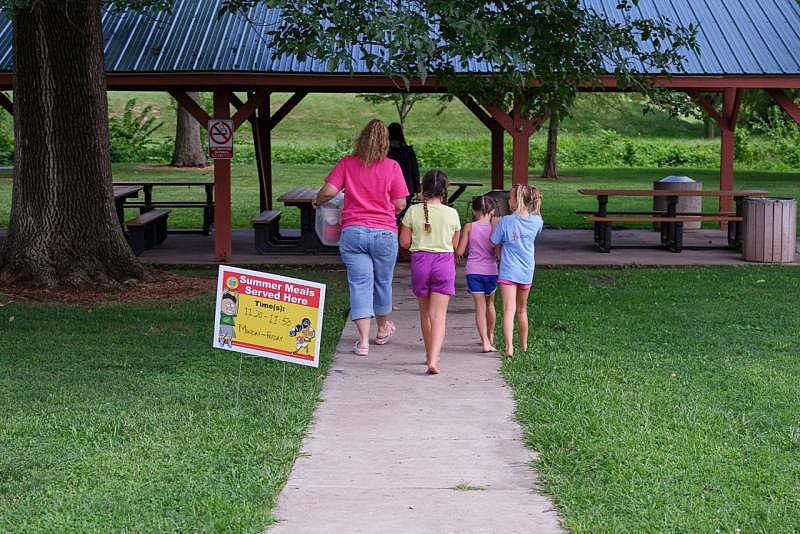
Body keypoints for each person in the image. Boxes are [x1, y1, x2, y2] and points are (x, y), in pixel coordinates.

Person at [312, 119, 409, 356]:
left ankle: (363, 342)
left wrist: (316, 201)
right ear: (385, 143)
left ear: (361, 139)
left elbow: (329, 192)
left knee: (359, 284)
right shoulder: (392, 167)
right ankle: (383, 329)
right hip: (384, 233)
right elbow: (400, 203)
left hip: (353, 233)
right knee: (382, 282)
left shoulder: (347, 163)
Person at [399, 170, 461, 374]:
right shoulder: (452, 213)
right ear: (445, 191)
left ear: (422, 188)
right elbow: (455, 245)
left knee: (425, 314)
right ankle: (434, 359)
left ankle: (428, 356)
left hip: (420, 262)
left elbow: (404, 242)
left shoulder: (412, 212)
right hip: (444, 262)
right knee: (439, 316)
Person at [490, 184, 544, 358]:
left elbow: (492, 242)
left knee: (508, 310)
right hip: (527, 270)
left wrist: (495, 226)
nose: (508, 200)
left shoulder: (506, 221)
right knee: (522, 309)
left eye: (511, 197)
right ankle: (524, 345)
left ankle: (509, 348)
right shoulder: (537, 222)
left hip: (508, 270)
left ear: (518, 200)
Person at [455, 195, 498, 353]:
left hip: (473, 271)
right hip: (491, 271)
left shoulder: (469, 227)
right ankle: (491, 335)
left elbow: (460, 251)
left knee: (479, 307)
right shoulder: (495, 226)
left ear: (474, 211)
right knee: (490, 305)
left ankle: (485, 342)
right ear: (492, 210)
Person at [387, 122, 420, 217]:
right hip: (407, 189)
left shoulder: (386, 152)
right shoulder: (408, 151)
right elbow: (415, 172)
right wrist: (418, 189)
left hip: (389, 189)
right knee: (403, 217)